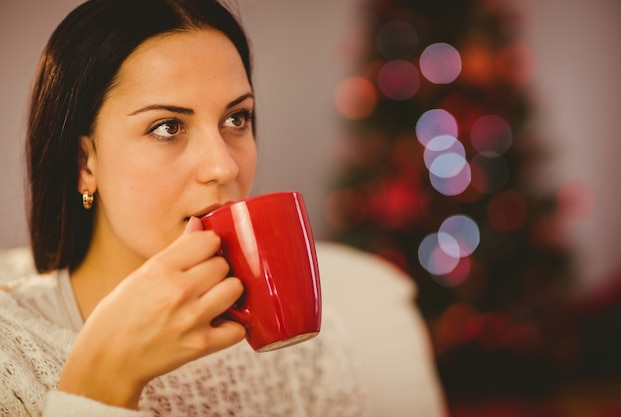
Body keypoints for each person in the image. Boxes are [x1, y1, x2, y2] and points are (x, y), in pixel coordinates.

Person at [0, 0, 368, 415]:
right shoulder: (8, 356)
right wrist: (102, 384)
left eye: (236, 119)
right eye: (167, 127)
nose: (223, 167)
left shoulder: (312, 352)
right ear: (84, 163)